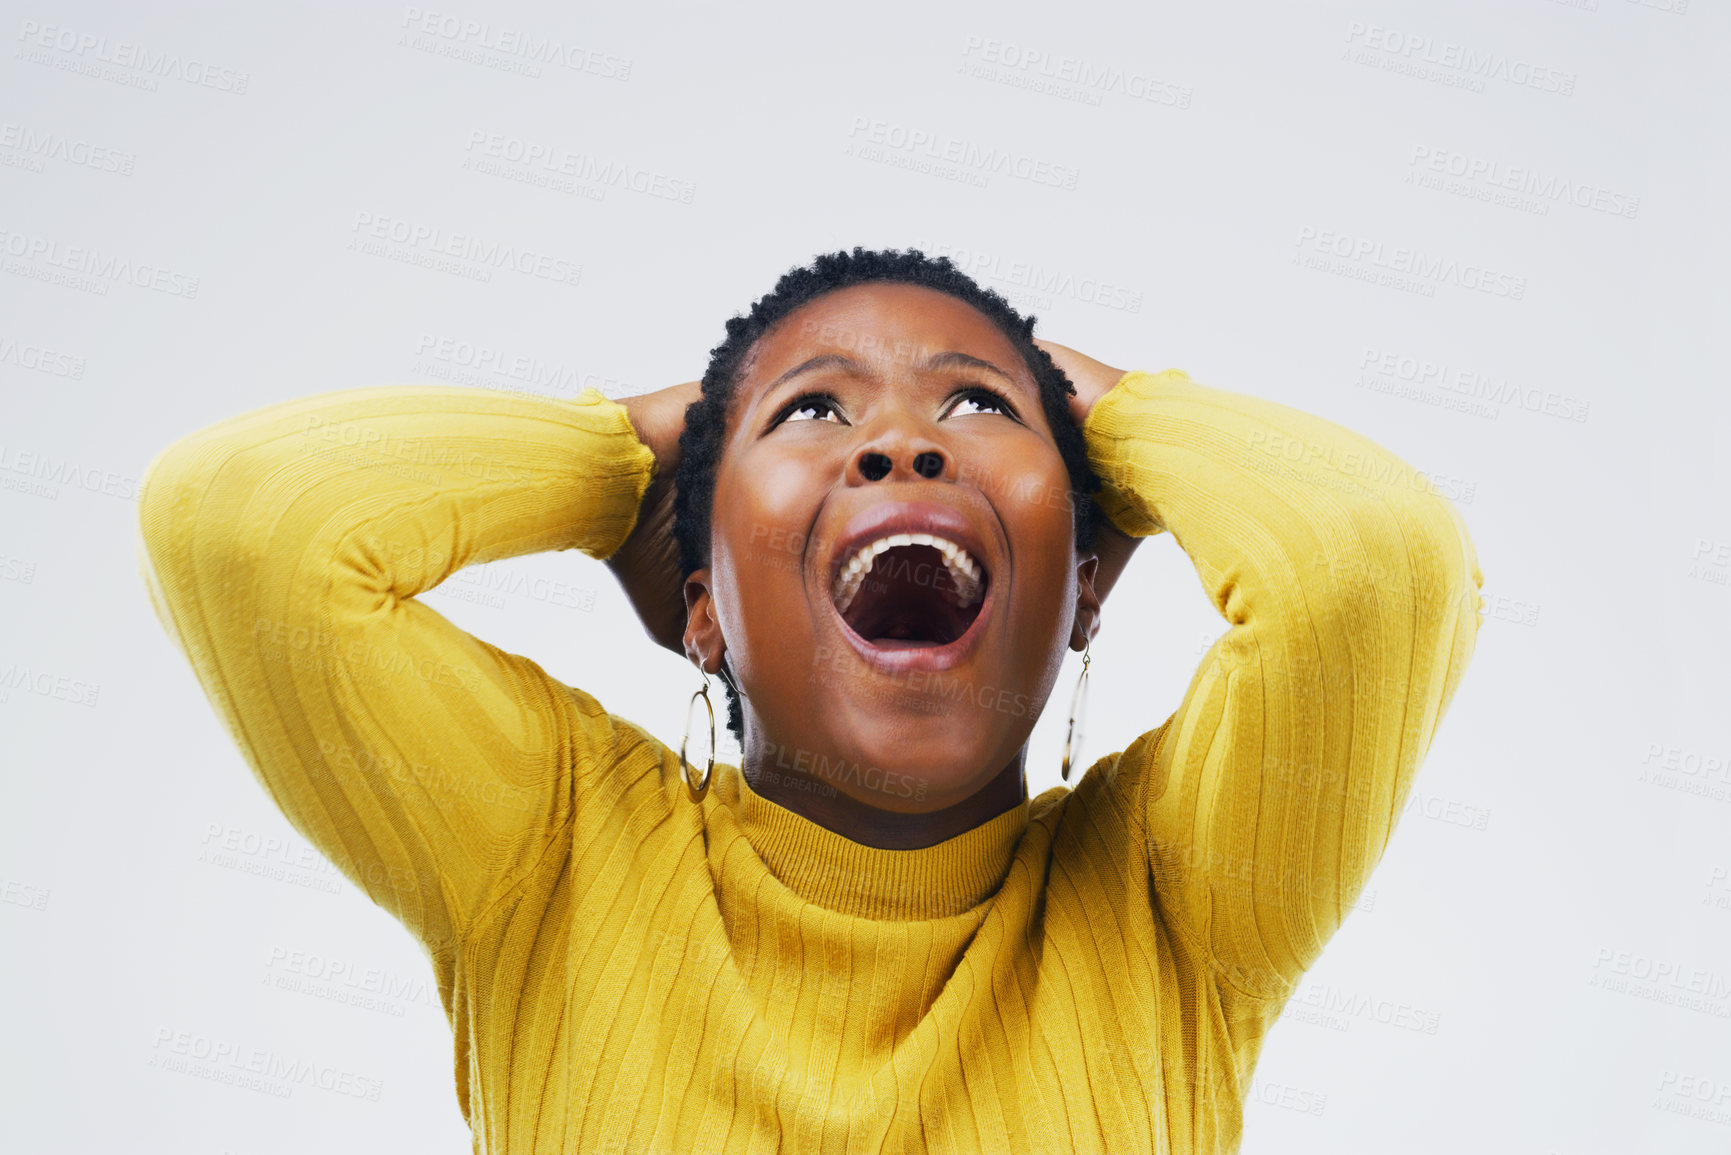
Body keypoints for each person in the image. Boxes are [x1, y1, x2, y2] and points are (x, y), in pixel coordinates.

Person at [137, 247, 1482, 1153]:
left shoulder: (1171, 896)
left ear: (1081, 592)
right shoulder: (551, 849)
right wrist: (623, 458)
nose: (904, 441)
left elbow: (1370, 565)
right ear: (701, 611)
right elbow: (242, 526)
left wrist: (1116, 414)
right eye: (813, 415)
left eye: (976, 406)